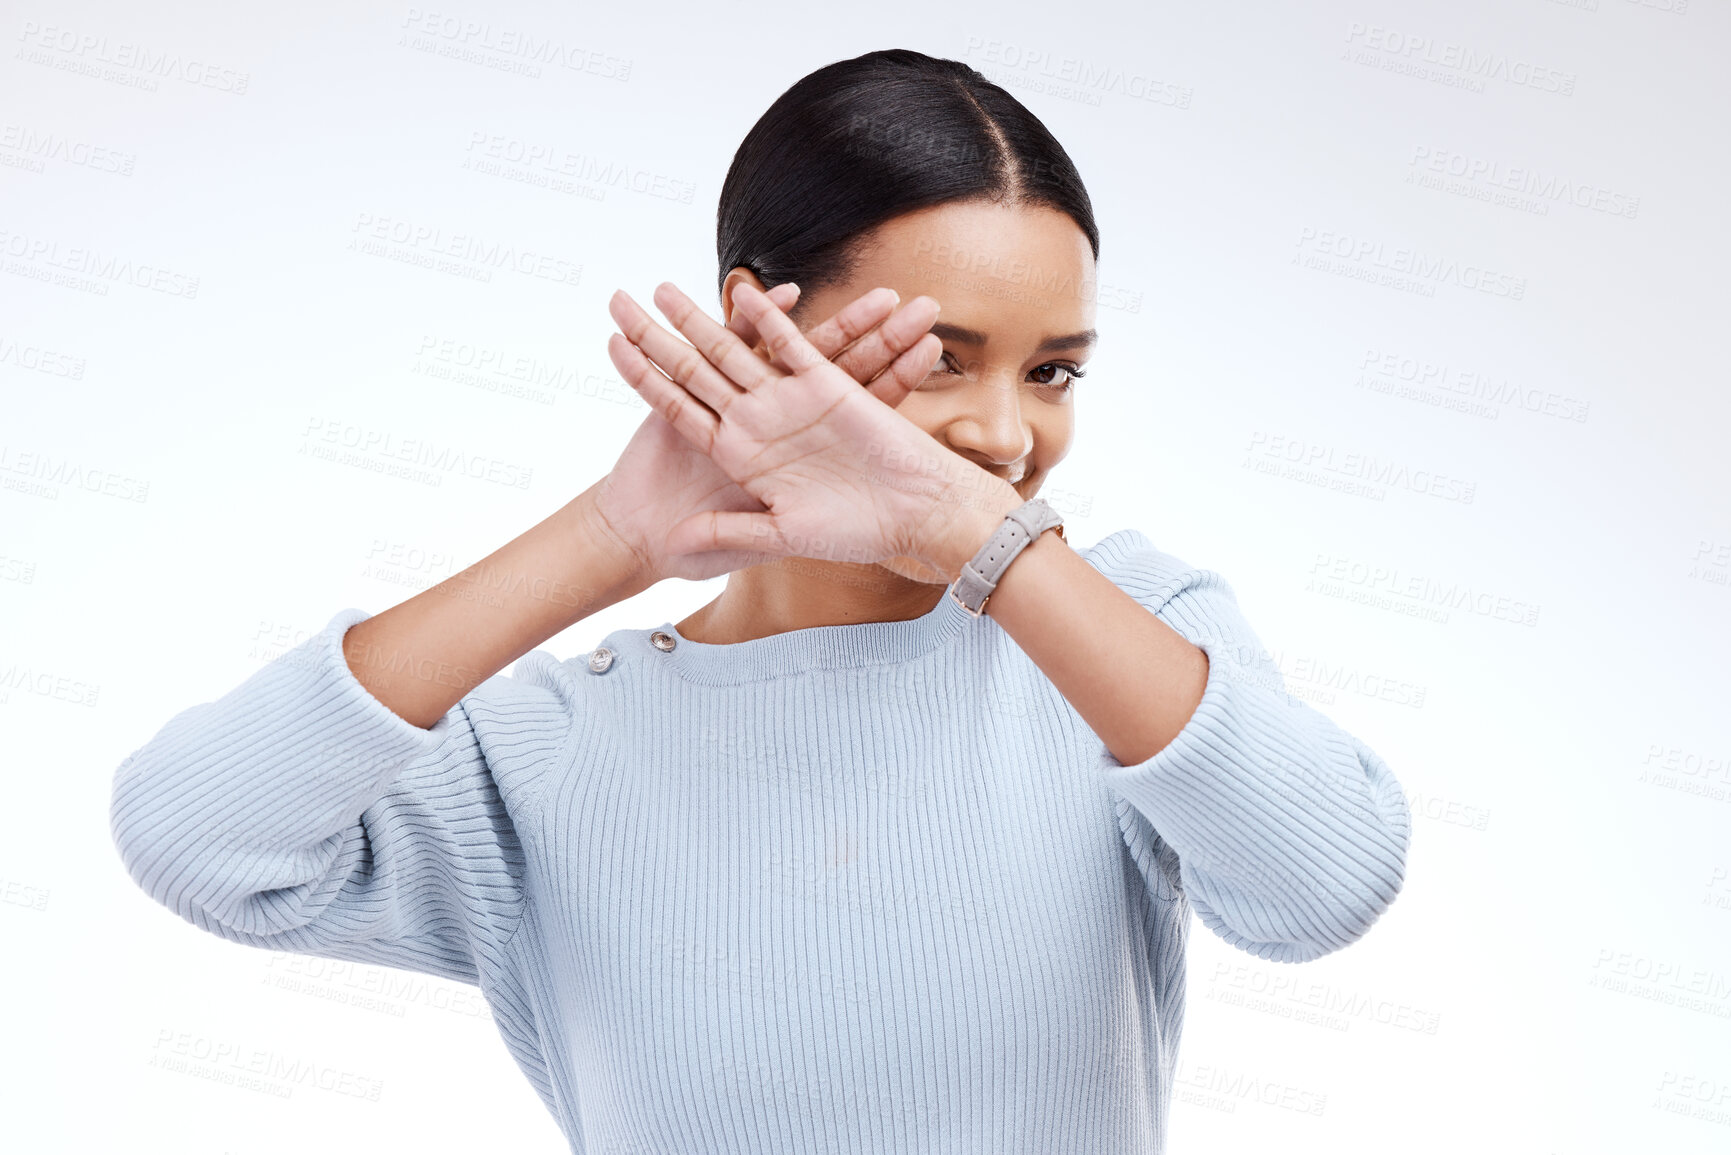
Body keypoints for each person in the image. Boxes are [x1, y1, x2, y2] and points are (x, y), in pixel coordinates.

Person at [109, 47, 1410, 1154]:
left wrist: (987, 541)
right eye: (942, 358)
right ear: (758, 322)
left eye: (1053, 372)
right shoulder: (559, 749)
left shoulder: (1115, 633)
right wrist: (613, 536)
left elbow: (1326, 883)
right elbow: (198, 840)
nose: (1009, 431)